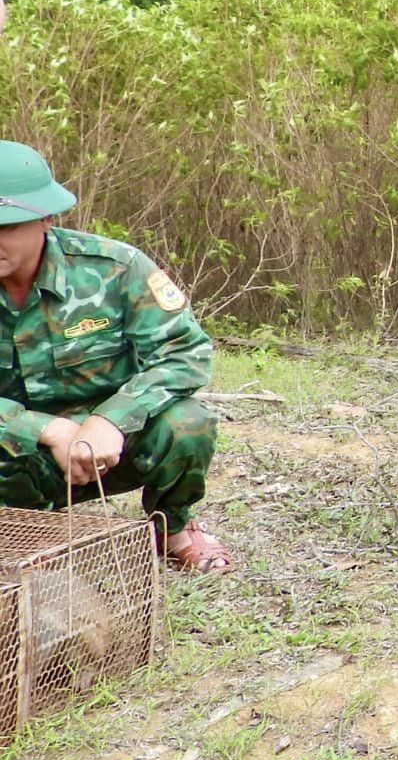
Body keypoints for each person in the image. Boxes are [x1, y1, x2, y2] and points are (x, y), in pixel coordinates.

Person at [0, 141, 232, 573]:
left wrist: (110, 420)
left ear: (46, 220)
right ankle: (20, 531)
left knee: (187, 423)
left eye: (7, 227)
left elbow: (184, 352)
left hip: (109, 448)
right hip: (16, 451)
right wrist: (46, 429)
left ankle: (173, 526)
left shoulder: (114, 269)